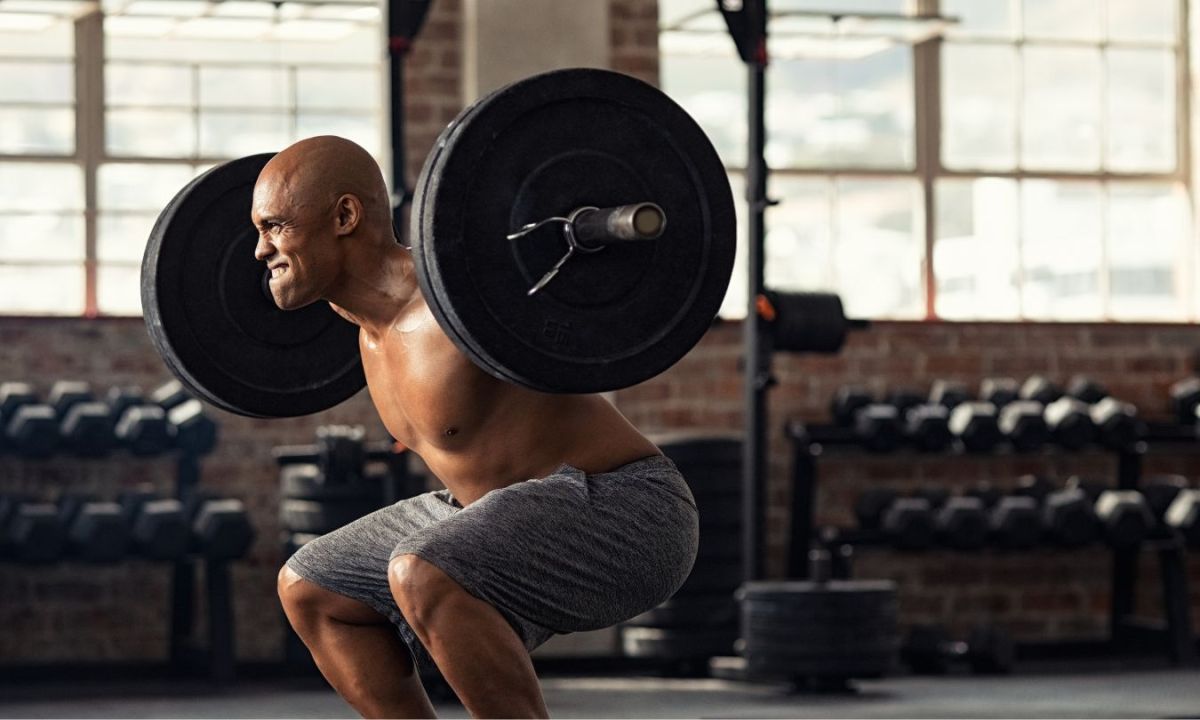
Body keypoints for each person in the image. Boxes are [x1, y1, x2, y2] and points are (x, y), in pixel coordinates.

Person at [255, 136, 699, 719]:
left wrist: (599, 234)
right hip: (488, 510)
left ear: (344, 216)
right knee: (310, 587)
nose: (261, 250)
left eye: (275, 227)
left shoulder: (461, 297)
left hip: (629, 510)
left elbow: (555, 291)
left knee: (422, 569)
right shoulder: (366, 332)